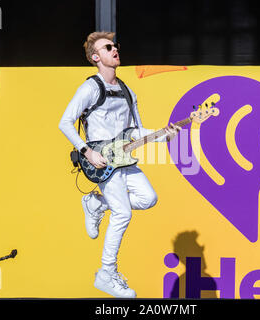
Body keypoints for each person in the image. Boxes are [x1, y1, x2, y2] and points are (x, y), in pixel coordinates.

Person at [59, 31, 181, 298]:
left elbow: (136, 131)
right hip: (101, 160)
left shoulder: (128, 91)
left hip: (124, 157)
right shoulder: (90, 87)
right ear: (96, 57)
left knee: (148, 198)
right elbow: (65, 122)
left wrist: (165, 135)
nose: (115, 50)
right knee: (123, 213)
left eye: (114, 46)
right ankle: (106, 273)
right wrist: (87, 152)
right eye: (107, 47)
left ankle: (96, 204)